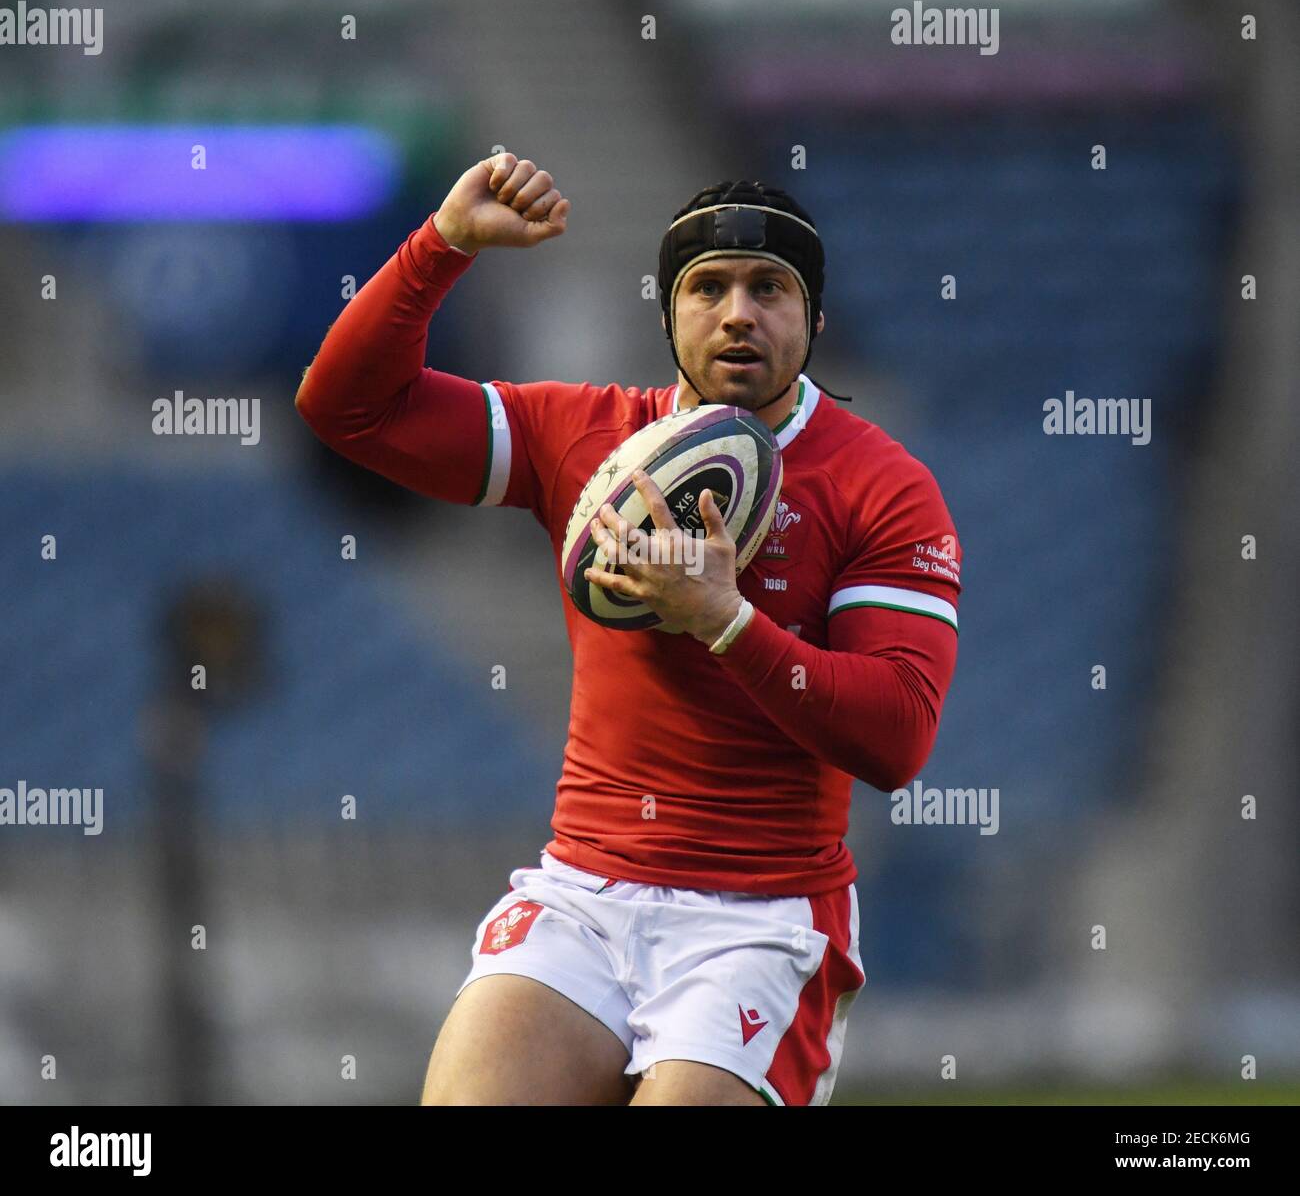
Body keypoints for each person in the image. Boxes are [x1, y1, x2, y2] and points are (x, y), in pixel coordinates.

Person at [295, 154, 963, 1106]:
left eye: (770, 288)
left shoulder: (880, 485)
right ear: (668, 315)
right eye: (709, 287)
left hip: (760, 921)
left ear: (814, 319)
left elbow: (896, 736)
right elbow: (347, 407)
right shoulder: (586, 438)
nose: (739, 312)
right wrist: (442, 246)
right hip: (585, 891)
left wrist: (725, 621)